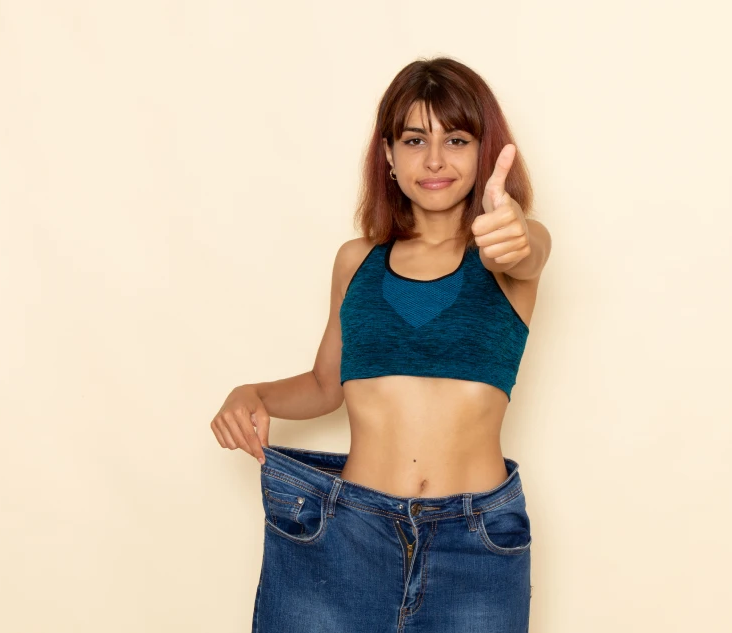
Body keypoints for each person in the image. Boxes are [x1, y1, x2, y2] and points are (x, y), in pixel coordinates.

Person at [209, 56, 552, 633]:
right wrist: (253, 393)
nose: (436, 159)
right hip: (345, 533)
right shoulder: (356, 261)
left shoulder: (511, 255)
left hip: (475, 541)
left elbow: (526, 248)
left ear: (485, 152)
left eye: (458, 139)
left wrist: (512, 230)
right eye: (415, 139)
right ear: (388, 155)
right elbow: (326, 386)